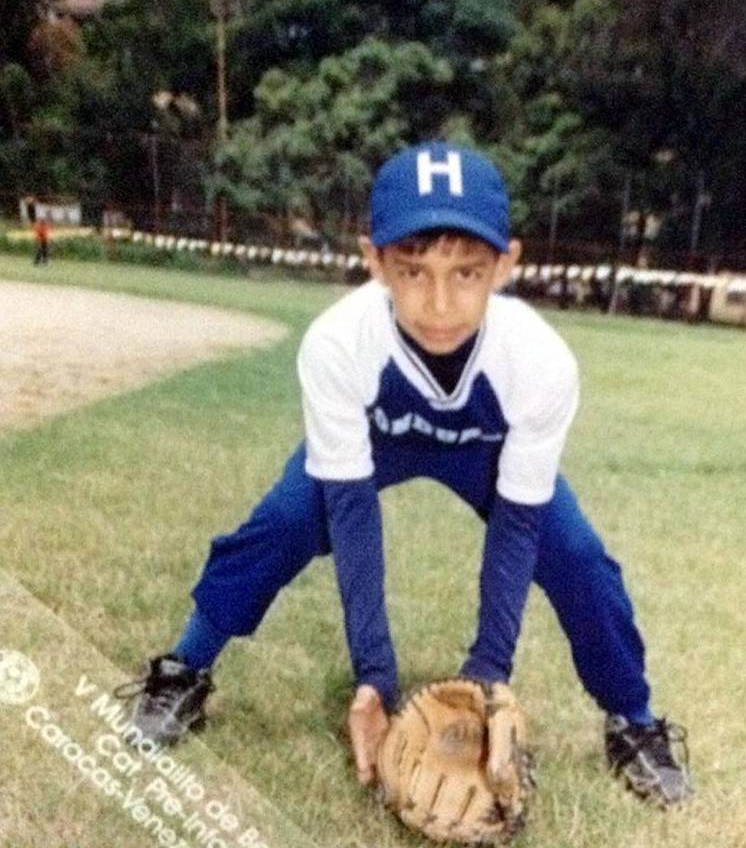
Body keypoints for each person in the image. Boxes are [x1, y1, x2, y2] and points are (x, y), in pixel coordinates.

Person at [122, 143, 692, 805]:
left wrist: (486, 677)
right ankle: (183, 669)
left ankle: (635, 720)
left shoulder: (538, 359)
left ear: (507, 265)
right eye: (413, 271)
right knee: (282, 522)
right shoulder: (340, 342)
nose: (441, 303)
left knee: (579, 557)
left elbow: (517, 528)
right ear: (373, 262)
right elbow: (351, 513)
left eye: (468, 273)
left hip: (486, 449)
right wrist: (375, 680)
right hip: (376, 440)